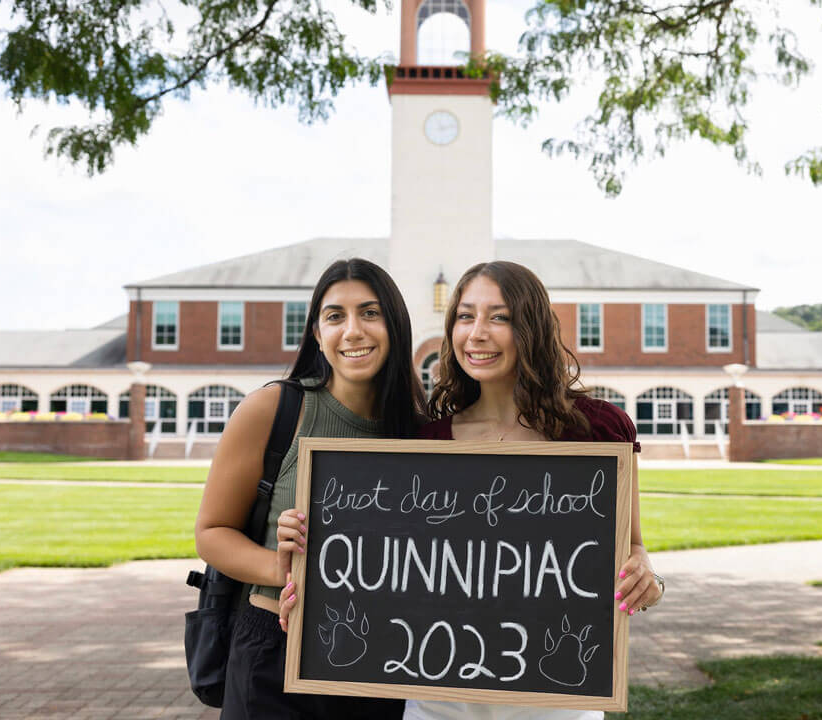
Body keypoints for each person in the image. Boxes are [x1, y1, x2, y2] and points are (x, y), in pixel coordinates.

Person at [408, 261, 664, 720]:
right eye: (465, 317)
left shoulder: (596, 430)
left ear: (530, 328)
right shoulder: (428, 441)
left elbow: (633, 547)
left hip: (556, 690)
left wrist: (647, 575)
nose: (477, 333)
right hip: (441, 691)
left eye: (499, 317)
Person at [195, 258, 425, 720]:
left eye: (370, 313)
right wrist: (284, 569)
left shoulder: (421, 433)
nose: (353, 330)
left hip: (382, 656)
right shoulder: (274, 408)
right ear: (318, 334)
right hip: (274, 651)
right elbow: (211, 532)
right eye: (335, 316)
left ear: (396, 326)